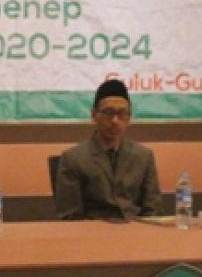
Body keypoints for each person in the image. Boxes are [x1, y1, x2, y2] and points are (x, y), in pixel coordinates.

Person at [54, 78, 161, 220]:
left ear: (129, 119)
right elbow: (70, 216)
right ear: (94, 115)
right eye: (109, 113)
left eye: (122, 113)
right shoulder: (73, 158)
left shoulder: (144, 156)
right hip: (92, 231)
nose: (115, 121)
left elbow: (152, 210)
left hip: (135, 229)